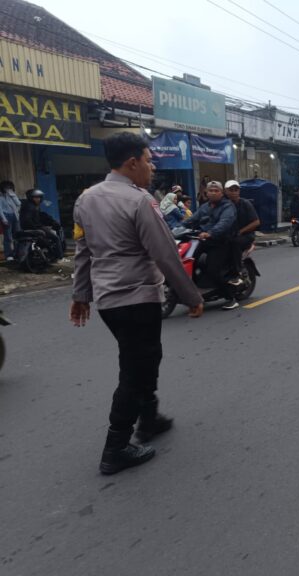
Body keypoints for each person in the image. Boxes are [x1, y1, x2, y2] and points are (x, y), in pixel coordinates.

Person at [69, 132, 203, 476]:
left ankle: (150, 417)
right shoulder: (141, 201)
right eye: (147, 159)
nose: (152, 165)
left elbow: (83, 252)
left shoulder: (85, 200)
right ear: (131, 163)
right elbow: (165, 253)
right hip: (138, 296)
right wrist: (191, 296)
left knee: (145, 357)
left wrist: (81, 294)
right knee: (135, 369)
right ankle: (116, 448)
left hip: (108, 302)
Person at [185, 181, 239, 310]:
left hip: (221, 242)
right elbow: (191, 220)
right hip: (203, 241)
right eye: (211, 190)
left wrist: (210, 233)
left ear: (221, 193)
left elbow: (224, 223)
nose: (213, 193)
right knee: (187, 260)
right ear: (206, 193)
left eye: (216, 190)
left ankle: (230, 297)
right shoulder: (204, 207)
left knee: (213, 269)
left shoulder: (228, 207)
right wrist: (174, 229)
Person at [224, 180, 260, 278]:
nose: (234, 192)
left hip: (245, 236)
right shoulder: (224, 205)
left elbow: (256, 222)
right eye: (231, 190)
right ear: (226, 191)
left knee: (234, 242)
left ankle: (238, 270)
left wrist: (241, 231)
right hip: (228, 235)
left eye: (236, 190)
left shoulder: (245, 204)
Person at [18, 189, 64, 261]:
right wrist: (37, 227)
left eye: (39, 197)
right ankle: (60, 257)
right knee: (56, 238)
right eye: (36, 197)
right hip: (35, 228)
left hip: (26, 228)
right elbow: (29, 220)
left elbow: (40, 216)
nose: (38, 199)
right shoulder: (31, 207)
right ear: (31, 198)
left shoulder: (26, 205)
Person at [0, 180, 21, 262]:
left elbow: (18, 204)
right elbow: (0, 209)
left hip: (15, 216)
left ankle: (18, 252)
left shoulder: (12, 195)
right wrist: (3, 219)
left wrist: (13, 195)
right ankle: (8, 255)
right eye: (6, 187)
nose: (8, 189)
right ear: (3, 188)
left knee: (18, 235)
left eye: (10, 187)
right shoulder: (0, 197)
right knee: (8, 237)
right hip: (6, 216)